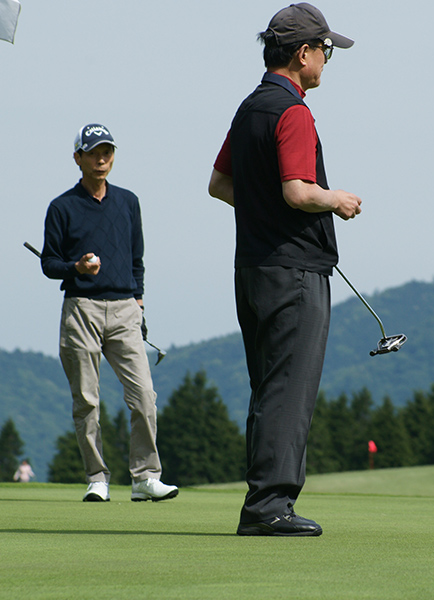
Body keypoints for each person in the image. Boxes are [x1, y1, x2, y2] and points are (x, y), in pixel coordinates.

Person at [208, 3, 362, 536]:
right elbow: (297, 190)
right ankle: (270, 507)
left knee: (268, 386)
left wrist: (267, 213)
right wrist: (335, 199)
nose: (327, 59)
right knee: (288, 390)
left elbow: (220, 185)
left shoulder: (250, 107)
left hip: (251, 268)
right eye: (325, 50)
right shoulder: (293, 111)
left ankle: (263, 502)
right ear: (303, 54)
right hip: (293, 273)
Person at [40, 123, 178, 503]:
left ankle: (145, 477)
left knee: (144, 396)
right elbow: (49, 263)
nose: (102, 158)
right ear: (78, 158)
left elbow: (137, 258)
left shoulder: (128, 201)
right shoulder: (62, 207)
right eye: (94, 152)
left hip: (124, 308)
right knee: (86, 400)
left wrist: (140, 301)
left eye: (107, 151)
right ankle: (97, 477)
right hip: (81, 308)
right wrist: (76, 268)